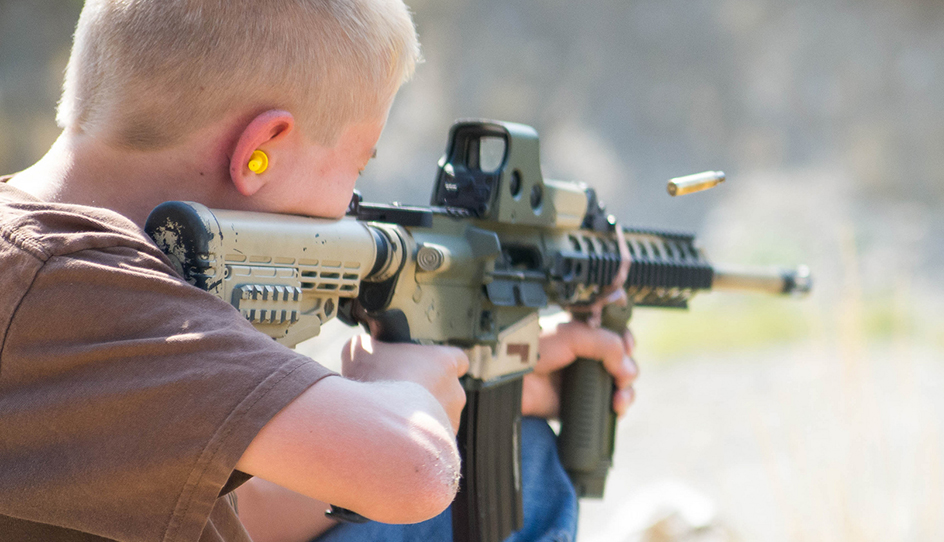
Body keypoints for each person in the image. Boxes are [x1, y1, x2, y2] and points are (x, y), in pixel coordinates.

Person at [0, 1, 637, 541]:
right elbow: (415, 475)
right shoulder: (68, 285)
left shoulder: (54, 274)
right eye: (358, 166)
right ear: (260, 153)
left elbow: (235, 512)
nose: (350, 207)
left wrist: (474, 382)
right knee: (521, 472)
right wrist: (399, 386)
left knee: (502, 442)